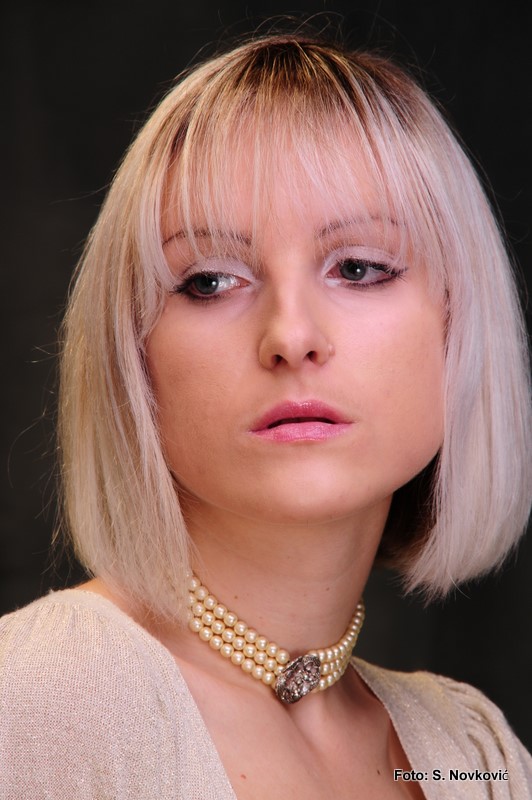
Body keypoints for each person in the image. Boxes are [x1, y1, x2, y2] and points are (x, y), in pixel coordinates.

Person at [1, 31, 531, 800]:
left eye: (359, 268)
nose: (290, 336)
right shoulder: (37, 704)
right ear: (131, 353)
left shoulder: (475, 756)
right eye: (210, 281)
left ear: (460, 321)